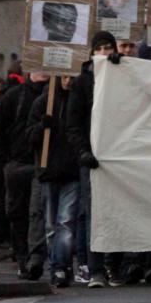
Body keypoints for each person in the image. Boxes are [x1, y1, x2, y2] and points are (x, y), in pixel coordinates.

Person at [67, 31, 124, 288]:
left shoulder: (123, 76)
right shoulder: (81, 83)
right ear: (92, 53)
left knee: (119, 212)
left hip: (119, 156)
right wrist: (83, 151)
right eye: (99, 48)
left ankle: (115, 265)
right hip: (92, 159)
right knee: (94, 215)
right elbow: (74, 123)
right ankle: (97, 268)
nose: (104, 53)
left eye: (108, 48)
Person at [0, 70, 49, 280]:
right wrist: (4, 163)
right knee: (17, 214)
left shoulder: (54, 95)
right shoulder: (13, 96)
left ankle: (34, 258)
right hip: (17, 163)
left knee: (37, 212)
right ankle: (22, 256)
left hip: (41, 165)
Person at [26, 76, 80, 288]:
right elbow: (28, 135)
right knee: (50, 225)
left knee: (65, 222)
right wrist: (42, 127)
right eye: (65, 77)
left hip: (72, 171)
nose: (68, 81)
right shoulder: (42, 103)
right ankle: (59, 265)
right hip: (49, 172)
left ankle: (60, 266)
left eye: (72, 77)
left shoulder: (78, 101)